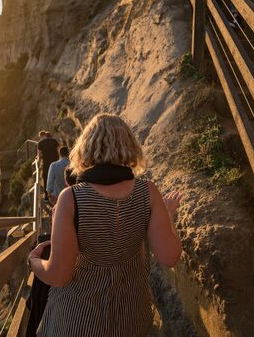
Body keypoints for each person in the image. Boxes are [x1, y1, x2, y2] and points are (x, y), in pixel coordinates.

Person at [27, 113, 182, 336]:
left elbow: (59, 274)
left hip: (76, 322)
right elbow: (169, 257)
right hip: (130, 320)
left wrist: (33, 261)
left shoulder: (71, 198)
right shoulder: (148, 192)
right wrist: (167, 216)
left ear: (86, 147)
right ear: (130, 146)